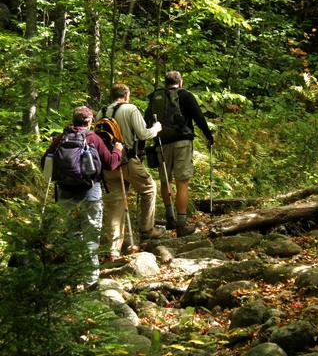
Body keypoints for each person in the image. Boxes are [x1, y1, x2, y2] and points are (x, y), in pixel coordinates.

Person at [41, 106, 123, 289]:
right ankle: (91, 281)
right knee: (91, 235)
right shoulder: (93, 138)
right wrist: (118, 150)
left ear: (73, 120)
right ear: (89, 121)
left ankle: (67, 278)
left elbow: (44, 162)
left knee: (67, 234)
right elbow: (110, 163)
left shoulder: (61, 138)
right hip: (90, 191)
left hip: (65, 191)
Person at [96, 83, 164, 261]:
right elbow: (143, 134)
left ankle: (113, 251)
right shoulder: (130, 109)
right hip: (127, 161)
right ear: (126, 95)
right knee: (149, 188)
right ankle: (147, 229)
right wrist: (156, 129)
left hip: (108, 165)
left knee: (115, 205)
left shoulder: (101, 113)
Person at [145, 71, 214, 237]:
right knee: (182, 182)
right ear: (180, 82)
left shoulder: (156, 97)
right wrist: (209, 136)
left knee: (165, 181)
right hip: (182, 142)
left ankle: (170, 219)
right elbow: (198, 117)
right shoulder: (185, 96)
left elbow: (147, 119)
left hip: (161, 143)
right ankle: (181, 225)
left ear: (166, 82)